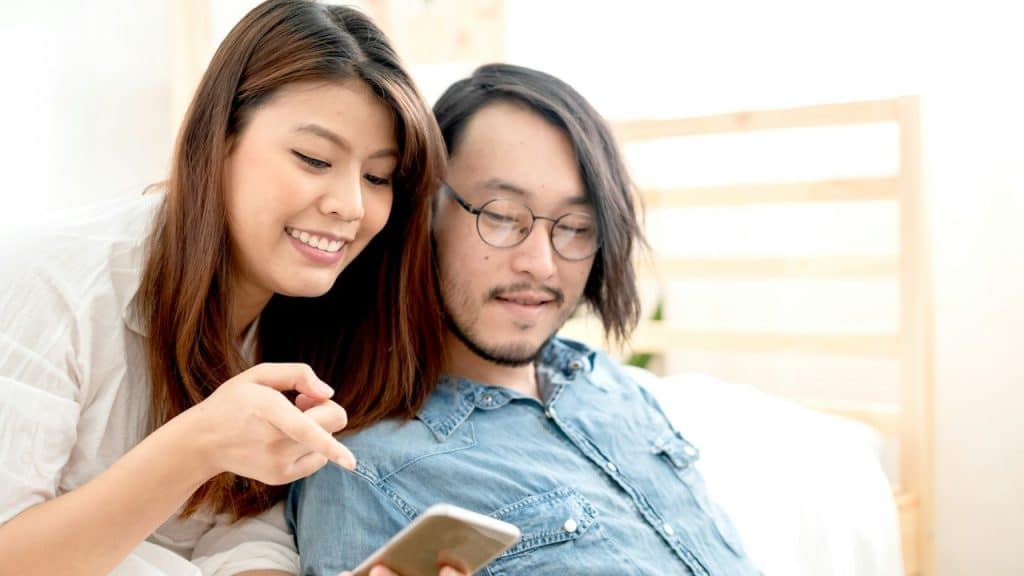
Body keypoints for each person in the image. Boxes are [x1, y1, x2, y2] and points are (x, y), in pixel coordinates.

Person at [0, 1, 455, 574]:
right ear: (220, 139)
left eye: (377, 177)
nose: (351, 205)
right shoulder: (52, 282)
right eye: (314, 159)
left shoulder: (314, 324)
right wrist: (199, 444)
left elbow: (239, 534)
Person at [287, 64, 763, 575]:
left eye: (577, 226)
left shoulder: (612, 387)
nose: (540, 263)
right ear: (423, 210)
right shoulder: (364, 469)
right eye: (500, 215)